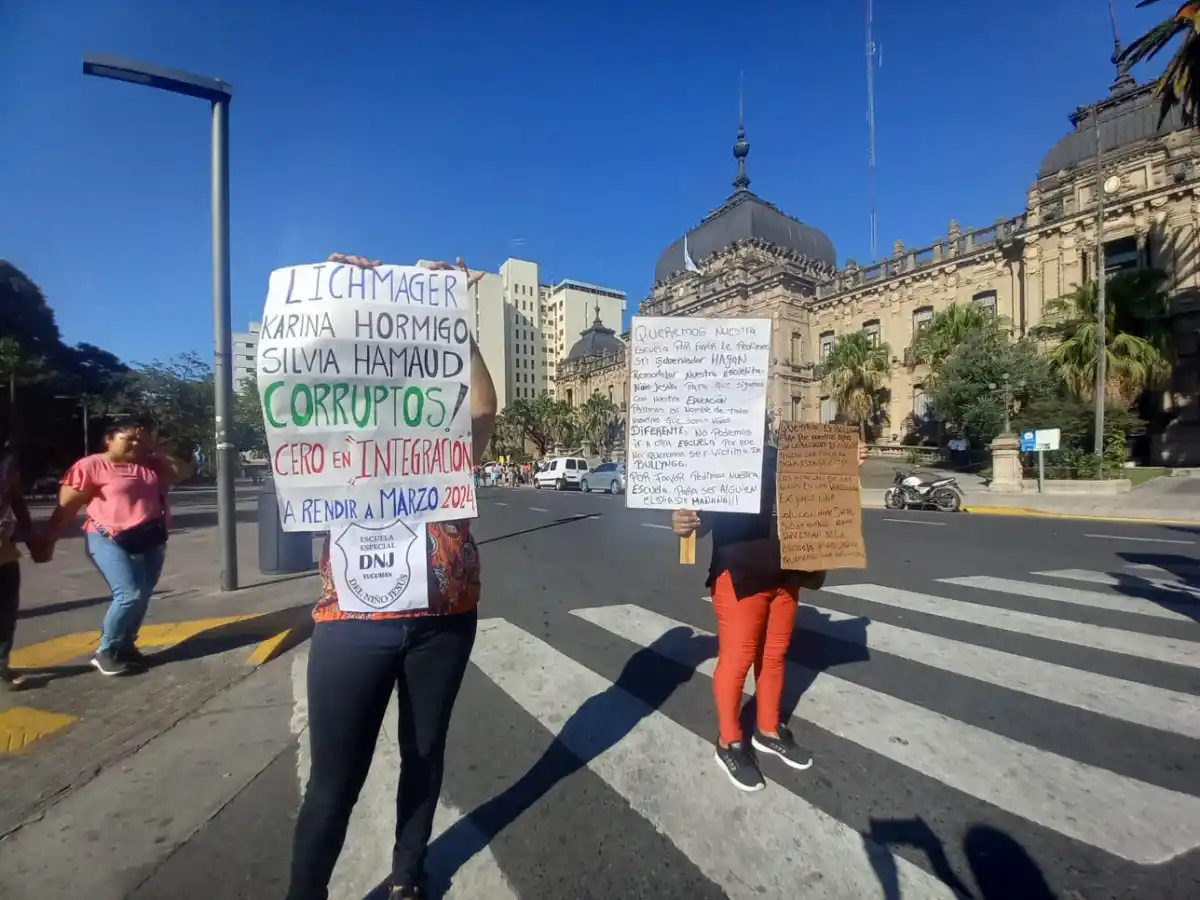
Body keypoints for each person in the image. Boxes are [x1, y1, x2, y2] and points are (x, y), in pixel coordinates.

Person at [286, 254, 499, 900]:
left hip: (444, 618)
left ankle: (408, 873)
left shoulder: (445, 442)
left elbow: (483, 409)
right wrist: (333, 305)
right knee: (333, 784)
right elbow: (301, 398)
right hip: (351, 622)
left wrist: (452, 321)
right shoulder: (334, 443)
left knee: (424, 754)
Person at [671, 433, 869, 792]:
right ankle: (729, 741)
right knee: (738, 660)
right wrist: (684, 522)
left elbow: (822, 493)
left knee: (775, 656)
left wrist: (846, 464)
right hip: (740, 574)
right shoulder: (717, 459)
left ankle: (767, 729)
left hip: (788, 572)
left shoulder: (787, 456)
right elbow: (700, 524)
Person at [31, 418, 193, 676]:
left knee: (143, 595)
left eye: (140, 440)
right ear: (109, 439)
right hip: (108, 538)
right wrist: (48, 541)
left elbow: (182, 472)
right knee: (130, 594)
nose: (136, 444)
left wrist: (156, 449)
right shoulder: (91, 465)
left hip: (150, 539)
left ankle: (126, 647)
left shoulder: (151, 464)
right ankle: (106, 650)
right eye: (129, 438)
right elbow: (66, 508)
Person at [0, 441, 34, 689]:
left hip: (3, 546)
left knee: (6, 608)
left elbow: (16, 500)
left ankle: (1, 664)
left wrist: (32, 539)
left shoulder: (7, 460)